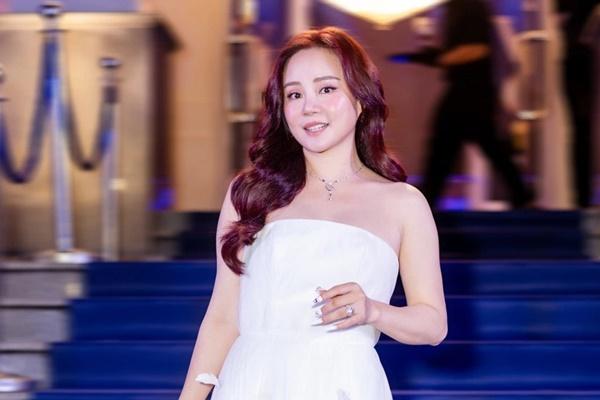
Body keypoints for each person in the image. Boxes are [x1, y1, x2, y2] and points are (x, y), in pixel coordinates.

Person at [179, 27, 447, 400]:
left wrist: (373, 311)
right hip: (252, 383)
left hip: (344, 385)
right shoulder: (251, 193)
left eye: (326, 89)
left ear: (361, 99)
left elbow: (433, 324)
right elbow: (222, 319)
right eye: (295, 94)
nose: (309, 107)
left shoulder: (403, 203)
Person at [390, 0, 533, 209]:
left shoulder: (468, 5)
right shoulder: (457, 7)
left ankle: (428, 201)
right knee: (480, 144)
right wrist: (429, 57)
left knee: (446, 144)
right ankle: (521, 195)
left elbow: (476, 49)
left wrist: (434, 58)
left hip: (471, 89)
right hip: (470, 88)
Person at [558, 0, 600, 208]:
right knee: (581, 130)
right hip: (578, 57)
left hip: (579, 56)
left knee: (581, 130)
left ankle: (582, 196)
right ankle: (581, 196)